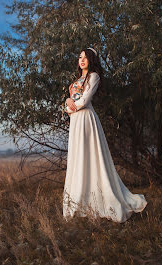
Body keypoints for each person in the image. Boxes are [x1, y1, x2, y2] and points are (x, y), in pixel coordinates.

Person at [63, 47, 148, 223]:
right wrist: (67, 102)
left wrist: (71, 105)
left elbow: (85, 101)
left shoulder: (94, 76)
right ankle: (78, 200)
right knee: (78, 158)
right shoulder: (76, 80)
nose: (82, 60)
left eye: (86, 58)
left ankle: (100, 198)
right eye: (80, 57)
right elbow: (70, 102)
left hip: (86, 119)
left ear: (92, 60)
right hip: (76, 121)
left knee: (90, 157)